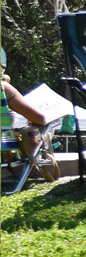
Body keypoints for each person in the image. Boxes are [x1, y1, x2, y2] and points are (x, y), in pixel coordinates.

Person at [2, 48, 60, 182]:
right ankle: (40, 162)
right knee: (40, 123)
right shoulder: (3, 88)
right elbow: (39, 118)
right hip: (3, 141)